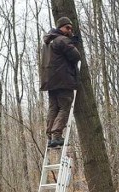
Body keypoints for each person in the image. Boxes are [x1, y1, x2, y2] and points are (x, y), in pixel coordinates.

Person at [39, 16, 81, 148]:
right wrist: (72, 43)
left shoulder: (47, 43)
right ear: (60, 27)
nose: (69, 30)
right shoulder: (62, 40)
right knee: (64, 106)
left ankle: (50, 136)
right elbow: (76, 56)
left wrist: (70, 42)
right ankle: (56, 135)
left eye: (71, 28)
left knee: (53, 108)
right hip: (63, 80)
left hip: (50, 81)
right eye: (67, 27)